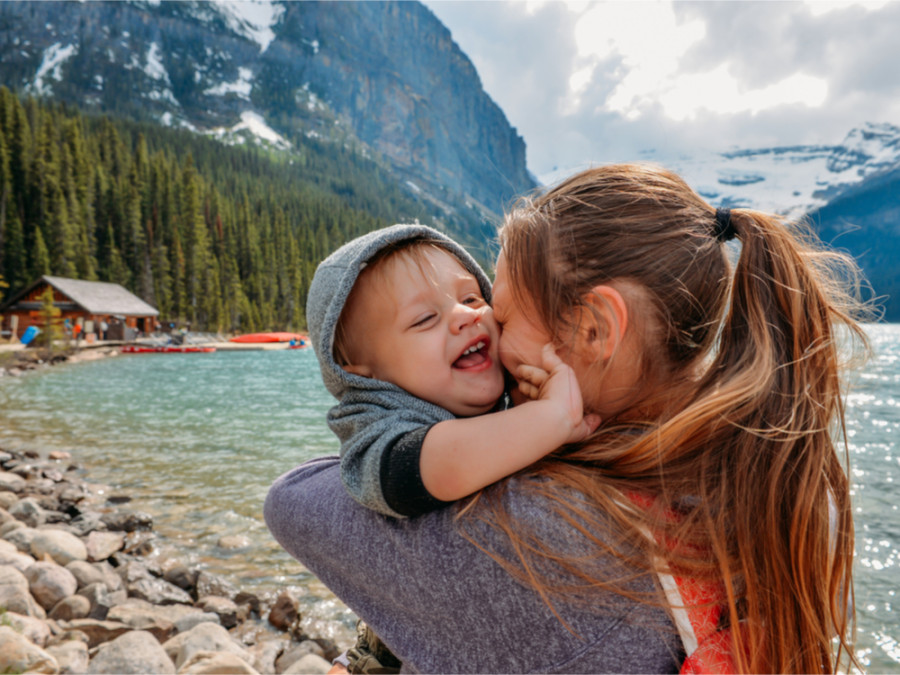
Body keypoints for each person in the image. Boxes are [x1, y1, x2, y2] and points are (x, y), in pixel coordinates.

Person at [266, 164, 865, 673]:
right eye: (428, 319)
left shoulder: (538, 535)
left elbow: (292, 502)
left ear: (595, 327)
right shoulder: (775, 476)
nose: (483, 330)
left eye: (492, 308)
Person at [306, 223, 595, 519]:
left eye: (472, 298)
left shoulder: (521, 389)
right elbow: (437, 466)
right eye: (425, 318)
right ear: (364, 375)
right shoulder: (376, 431)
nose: (465, 315)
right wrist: (553, 417)